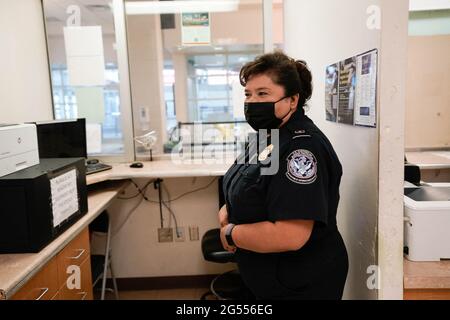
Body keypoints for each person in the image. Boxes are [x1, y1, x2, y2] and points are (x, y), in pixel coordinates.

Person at [219, 51, 348, 300]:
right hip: (269, 275)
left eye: (263, 93)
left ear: (292, 100)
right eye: (248, 94)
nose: (252, 102)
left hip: (300, 281)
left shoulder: (301, 149)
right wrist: (228, 208)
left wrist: (231, 233)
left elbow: (290, 235)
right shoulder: (267, 135)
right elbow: (250, 183)